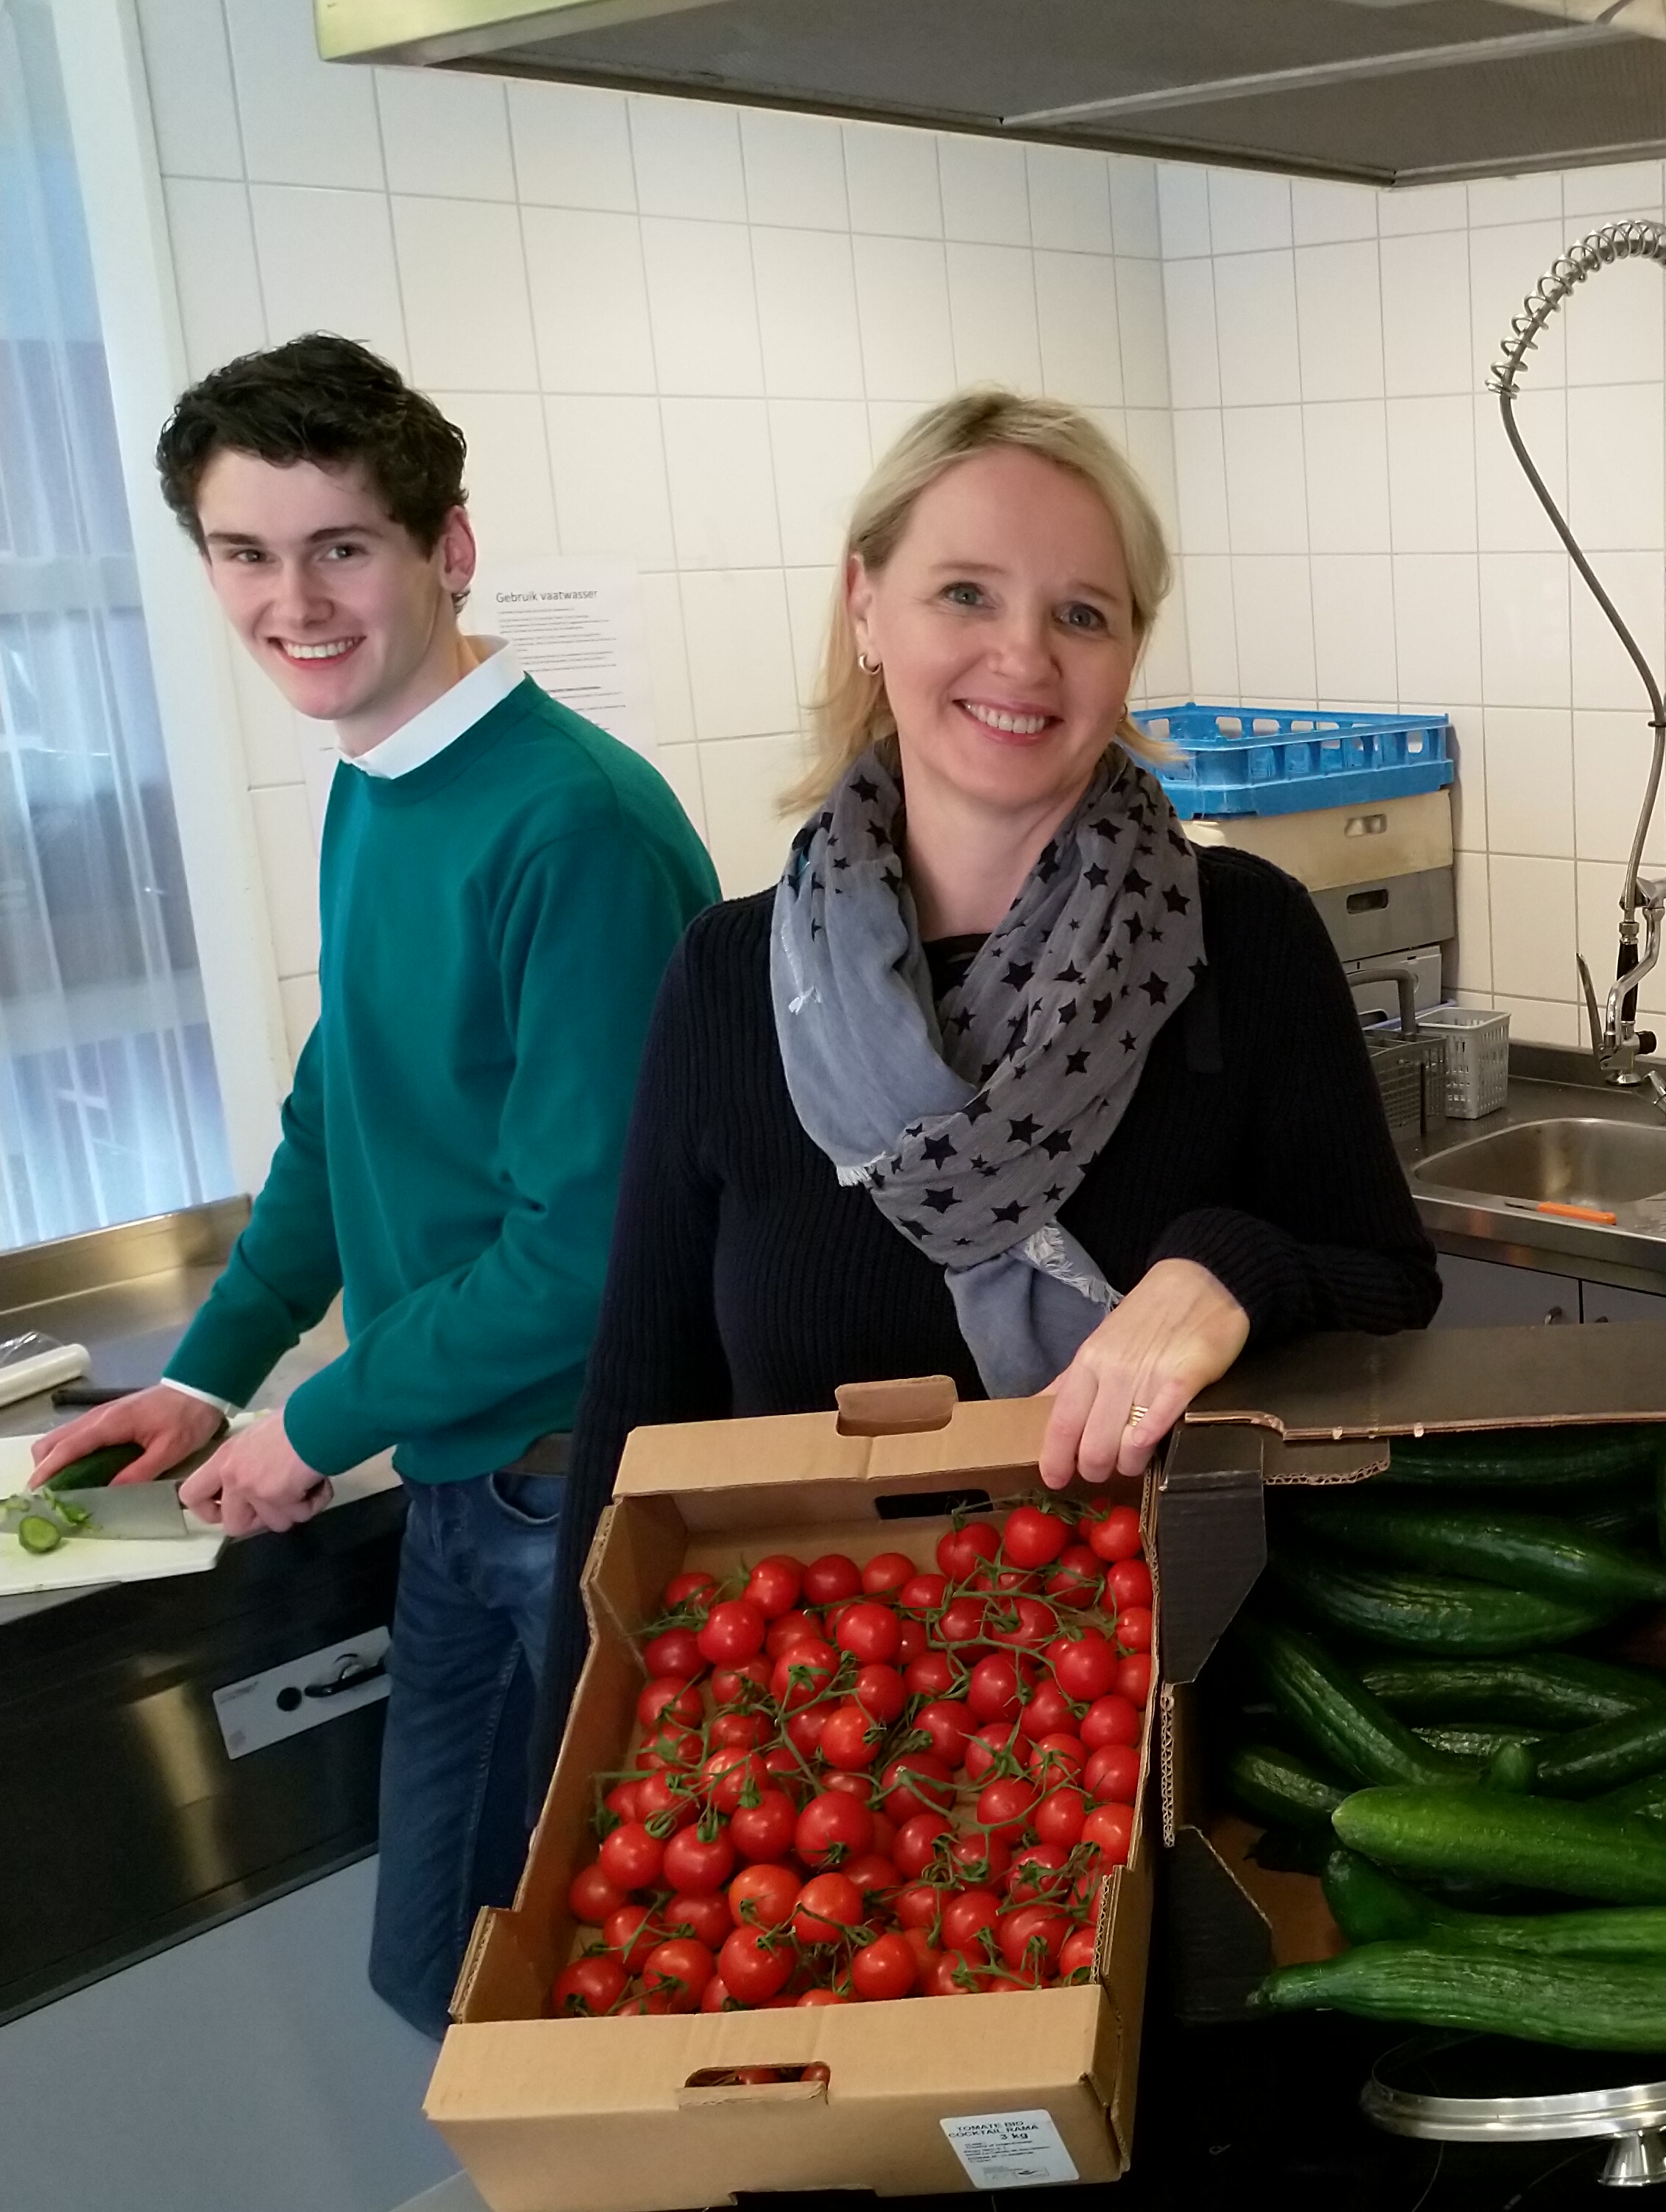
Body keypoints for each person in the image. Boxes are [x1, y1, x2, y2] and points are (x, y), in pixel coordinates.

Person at [533, 388, 1438, 1785]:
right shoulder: (730, 980)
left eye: (1083, 613)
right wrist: (573, 1774)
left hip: (1176, 1717)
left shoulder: (1243, 935)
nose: (1024, 656)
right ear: (866, 607)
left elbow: (1388, 1281)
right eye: (966, 591)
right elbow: (642, 1406)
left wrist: (1230, 1271)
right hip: (821, 1757)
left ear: (1128, 654)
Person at [27, 334, 719, 2036]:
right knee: (451, 1976)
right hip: (468, 1482)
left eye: (341, 546)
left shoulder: (570, 825)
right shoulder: (374, 786)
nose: (295, 600)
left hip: (586, 1488)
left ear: (447, 549)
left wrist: (315, 1423)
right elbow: (343, 1116)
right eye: (245, 555)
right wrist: (208, 1371)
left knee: (575, 1990)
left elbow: (586, 1249)